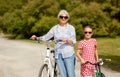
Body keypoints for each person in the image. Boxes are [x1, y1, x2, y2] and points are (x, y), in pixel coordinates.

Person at [31, 10, 76, 77]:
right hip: (58, 55)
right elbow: (46, 37)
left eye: (65, 17)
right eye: (61, 17)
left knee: (71, 75)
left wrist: (67, 40)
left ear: (68, 18)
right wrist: (37, 38)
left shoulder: (71, 28)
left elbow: (73, 41)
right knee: (63, 75)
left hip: (68, 54)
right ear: (59, 17)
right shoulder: (55, 28)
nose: (63, 18)